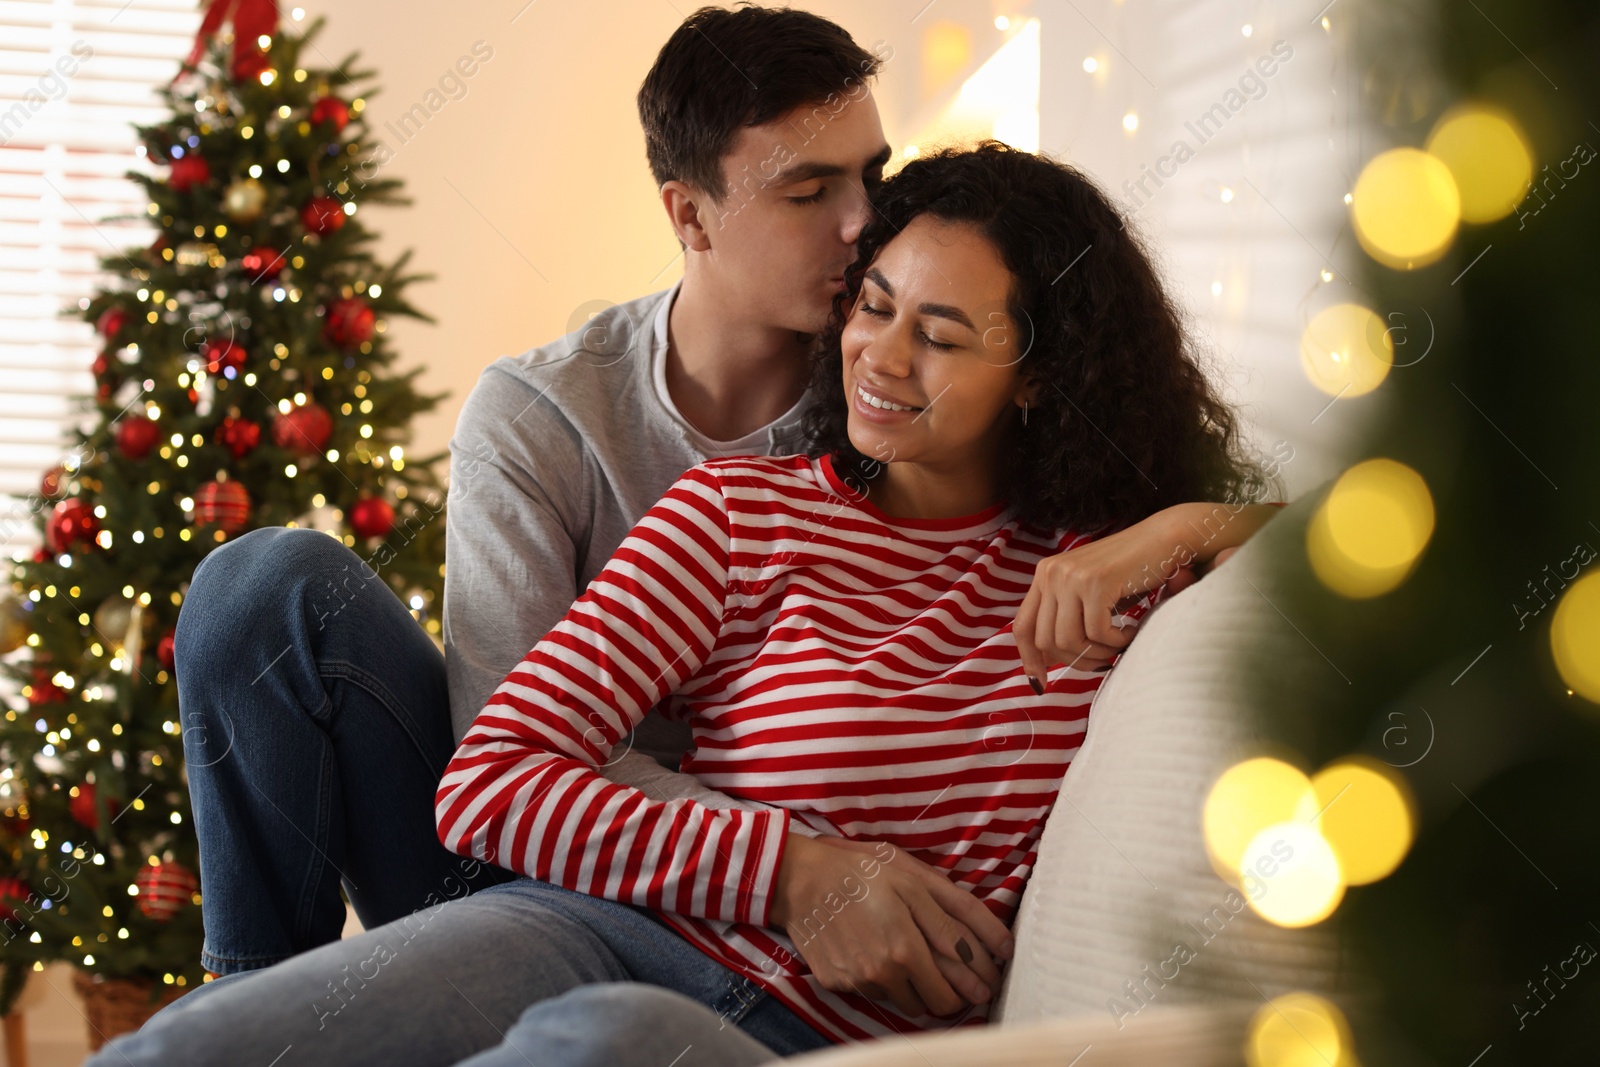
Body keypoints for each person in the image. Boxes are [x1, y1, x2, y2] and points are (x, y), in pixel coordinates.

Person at [92, 141, 1286, 1067]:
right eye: (873, 305)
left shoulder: (1108, 572)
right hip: (590, 927)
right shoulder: (742, 511)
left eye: (942, 335)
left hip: (803, 1033)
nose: (881, 355)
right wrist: (797, 872)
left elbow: (1394, 541)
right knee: (191, 1051)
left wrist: (1185, 525)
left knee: (594, 1044)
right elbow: (494, 772)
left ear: (1039, 373)